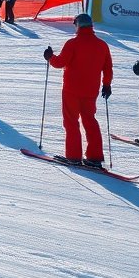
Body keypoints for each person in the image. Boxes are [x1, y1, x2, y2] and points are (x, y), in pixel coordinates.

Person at [43, 13, 114, 168]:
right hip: (91, 91)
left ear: (78, 25)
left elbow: (60, 63)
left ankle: (74, 156)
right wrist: (107, 85)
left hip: (71, 90)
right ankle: (95, 157)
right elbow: (107, 67)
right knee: (90, 121)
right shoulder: (102, 45)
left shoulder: (73, 43)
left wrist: (50, 57)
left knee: (71, 122)